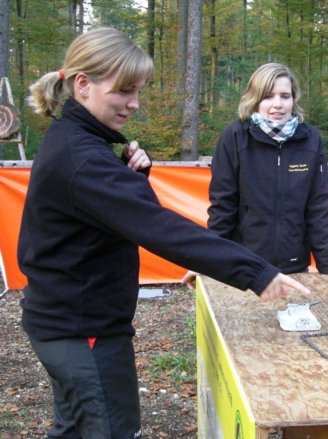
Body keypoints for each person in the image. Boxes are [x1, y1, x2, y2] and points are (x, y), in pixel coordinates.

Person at [18, 28, 309, 439]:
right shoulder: (82, 156)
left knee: (73, 430)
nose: (133, 104)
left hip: (69, 322)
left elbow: (104, 213)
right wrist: (254, 271)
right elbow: (162, 228)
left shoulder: (80, 142)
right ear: (82, 84)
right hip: (81, 330)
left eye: (137, 91)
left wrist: (130, 175)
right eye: (123, 91)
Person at [182, 63, 328, 288]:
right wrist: (208, 262)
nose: (277, 104)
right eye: (268, 96)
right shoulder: (234, 136)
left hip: (294, 268)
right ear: (255, 98)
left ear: (294, 99)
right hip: (245, 265)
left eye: (285, 96)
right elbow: (223, 207)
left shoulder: (311, 139)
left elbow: (318, 208)